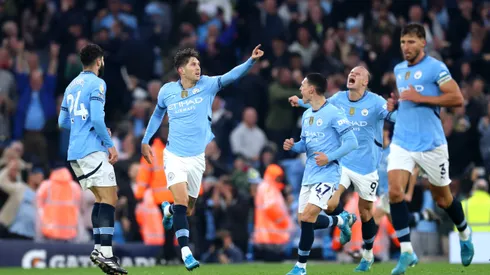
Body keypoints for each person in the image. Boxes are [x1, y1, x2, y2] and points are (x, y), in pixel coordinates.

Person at [141, 45, 264, 271]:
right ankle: (186, 252)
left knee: (188, 209)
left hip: (197, 158)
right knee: (180, 202)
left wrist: (251, 61)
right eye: (193, 64)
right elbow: (158, 113)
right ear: (181, 70)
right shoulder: (167, 91)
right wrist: (145, 140)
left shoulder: (207, 85)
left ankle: (168, 211)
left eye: (198, 63)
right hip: (174, 156)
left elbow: (231, 76)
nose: (198, 67)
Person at [289, 66, 396, 271]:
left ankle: (367, 254)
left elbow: (392, 116)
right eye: (350, 74)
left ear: (365, 82)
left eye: (358, 74)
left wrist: (394, 109)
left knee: (366, 214)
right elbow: (321, 105)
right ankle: (342, 219)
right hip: (343, 162)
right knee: (329, 204)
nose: (352, 76)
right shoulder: (338, 98)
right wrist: (300, 102)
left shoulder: (375, 102)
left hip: (367, 167)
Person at [387, 23, 473, 275]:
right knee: (394, 192)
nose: (406, 47)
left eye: (411, 42)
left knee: (443, 198)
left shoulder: (436, 68)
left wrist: (421, 98)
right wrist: (396, 105)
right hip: (403, 140)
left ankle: (465, 233)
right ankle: (406, 252)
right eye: (403, 42)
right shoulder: (399, 69)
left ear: (423, 43)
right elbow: (408, 101)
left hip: (431, 144)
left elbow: (457, 99)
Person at [58, 44, 127, 275]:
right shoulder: (98, 83)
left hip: (75, 152)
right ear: (99, 61)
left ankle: (99, 249)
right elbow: (97, 118)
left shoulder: (70, 86)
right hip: (92, 149)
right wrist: (110, 145)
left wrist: (81, 127)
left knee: (101, 197)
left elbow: (62, 122)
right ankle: (106, 253)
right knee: (110, 196)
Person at [283, 73, 358, 275]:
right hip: (310, 174)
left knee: (308, 217)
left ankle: (300, 267)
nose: (300, 89)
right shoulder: (307, 115)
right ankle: (342, 221)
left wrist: (330, 157)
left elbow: (352, 142)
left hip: (328, 173)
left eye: (303, 85)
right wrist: (293, 146)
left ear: (312, 90)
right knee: (304, 221)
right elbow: (305, 146)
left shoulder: (334, 113)